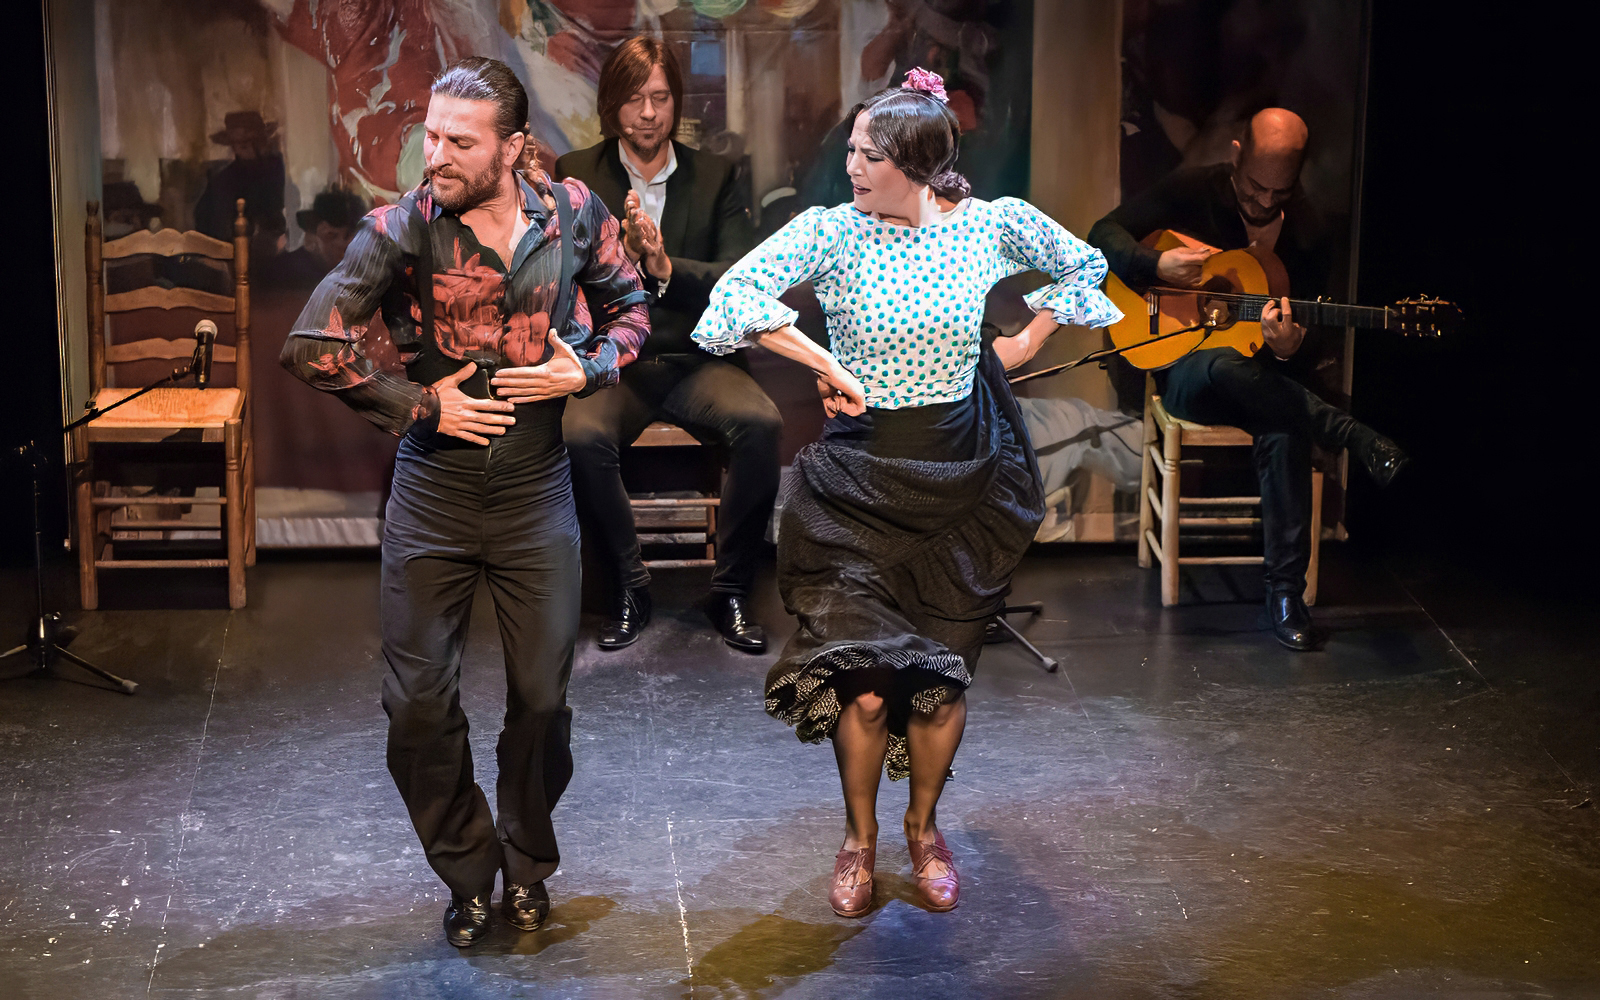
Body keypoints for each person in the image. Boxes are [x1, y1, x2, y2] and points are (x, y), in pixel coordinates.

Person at [692, 69, 1121, 917]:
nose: (852, 166)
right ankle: (859, 841)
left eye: (871, 155)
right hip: (857, 482)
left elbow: (1086, 262)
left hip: (959, 484)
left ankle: (924, 829)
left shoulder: (990, 226)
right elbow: (732, 296)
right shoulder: (832, 232)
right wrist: (823, 361)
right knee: (864, 685)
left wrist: (1024, 340)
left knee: (940, 684)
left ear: (918, 165)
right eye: (852, 150)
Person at [279, 57, 649, 947]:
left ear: (513, 148)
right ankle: (468, 867)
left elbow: (633, 308)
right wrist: (420, 405)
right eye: (431, 134)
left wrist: (588, 368)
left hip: (534, 490)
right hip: (434, 492)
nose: (434, 154)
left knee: (542, 700)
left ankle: (526, 861)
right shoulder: (401, 225)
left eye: (459, 140)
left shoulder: (573, 213)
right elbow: (309, 346)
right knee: (416, 704)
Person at [1086, 108, 1410, 651]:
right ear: (1237, 155)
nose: (1262, 201)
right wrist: (1155, 266)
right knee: (1223, 366)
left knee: (1283, 422)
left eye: (1278, 192)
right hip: (1187, 374)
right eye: (1255, 186)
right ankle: (1352, 434)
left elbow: (1309, 344)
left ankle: (1285, 595)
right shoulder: (1194, 190)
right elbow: (1101, 234)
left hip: (1264, 382)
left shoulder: (1308, 233)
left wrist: (1290, 347)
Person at [555, 37, 780, 653]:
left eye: (660, 97)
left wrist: (662, 266)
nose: (649, 113)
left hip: (697, 357)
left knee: (761, 423)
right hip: (616, 363)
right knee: (579, 436)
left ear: (677, 102)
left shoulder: (716, 175)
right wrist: (619, 260)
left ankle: (730, 592)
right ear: (611, 105)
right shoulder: (577, 172)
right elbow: (562, 276)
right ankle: (629, 588)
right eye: (634, 99)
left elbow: (738, 275)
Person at [261, 187, 368, 289]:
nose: (344, 244)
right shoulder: (285, 273)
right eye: (330, 235)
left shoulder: (361, 272)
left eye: (355, 237)